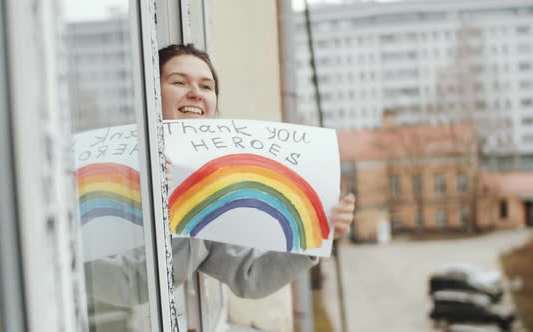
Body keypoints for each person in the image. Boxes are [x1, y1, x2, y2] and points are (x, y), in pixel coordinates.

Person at [86, 44, 355, 326]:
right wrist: (146, 204)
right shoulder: (113, 172)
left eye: (206, 86)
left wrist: (316, 234)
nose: (195, 92)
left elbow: (250, 275)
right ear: (150, 93)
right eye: (178, 81)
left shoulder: (208, 188)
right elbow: (120, 281)